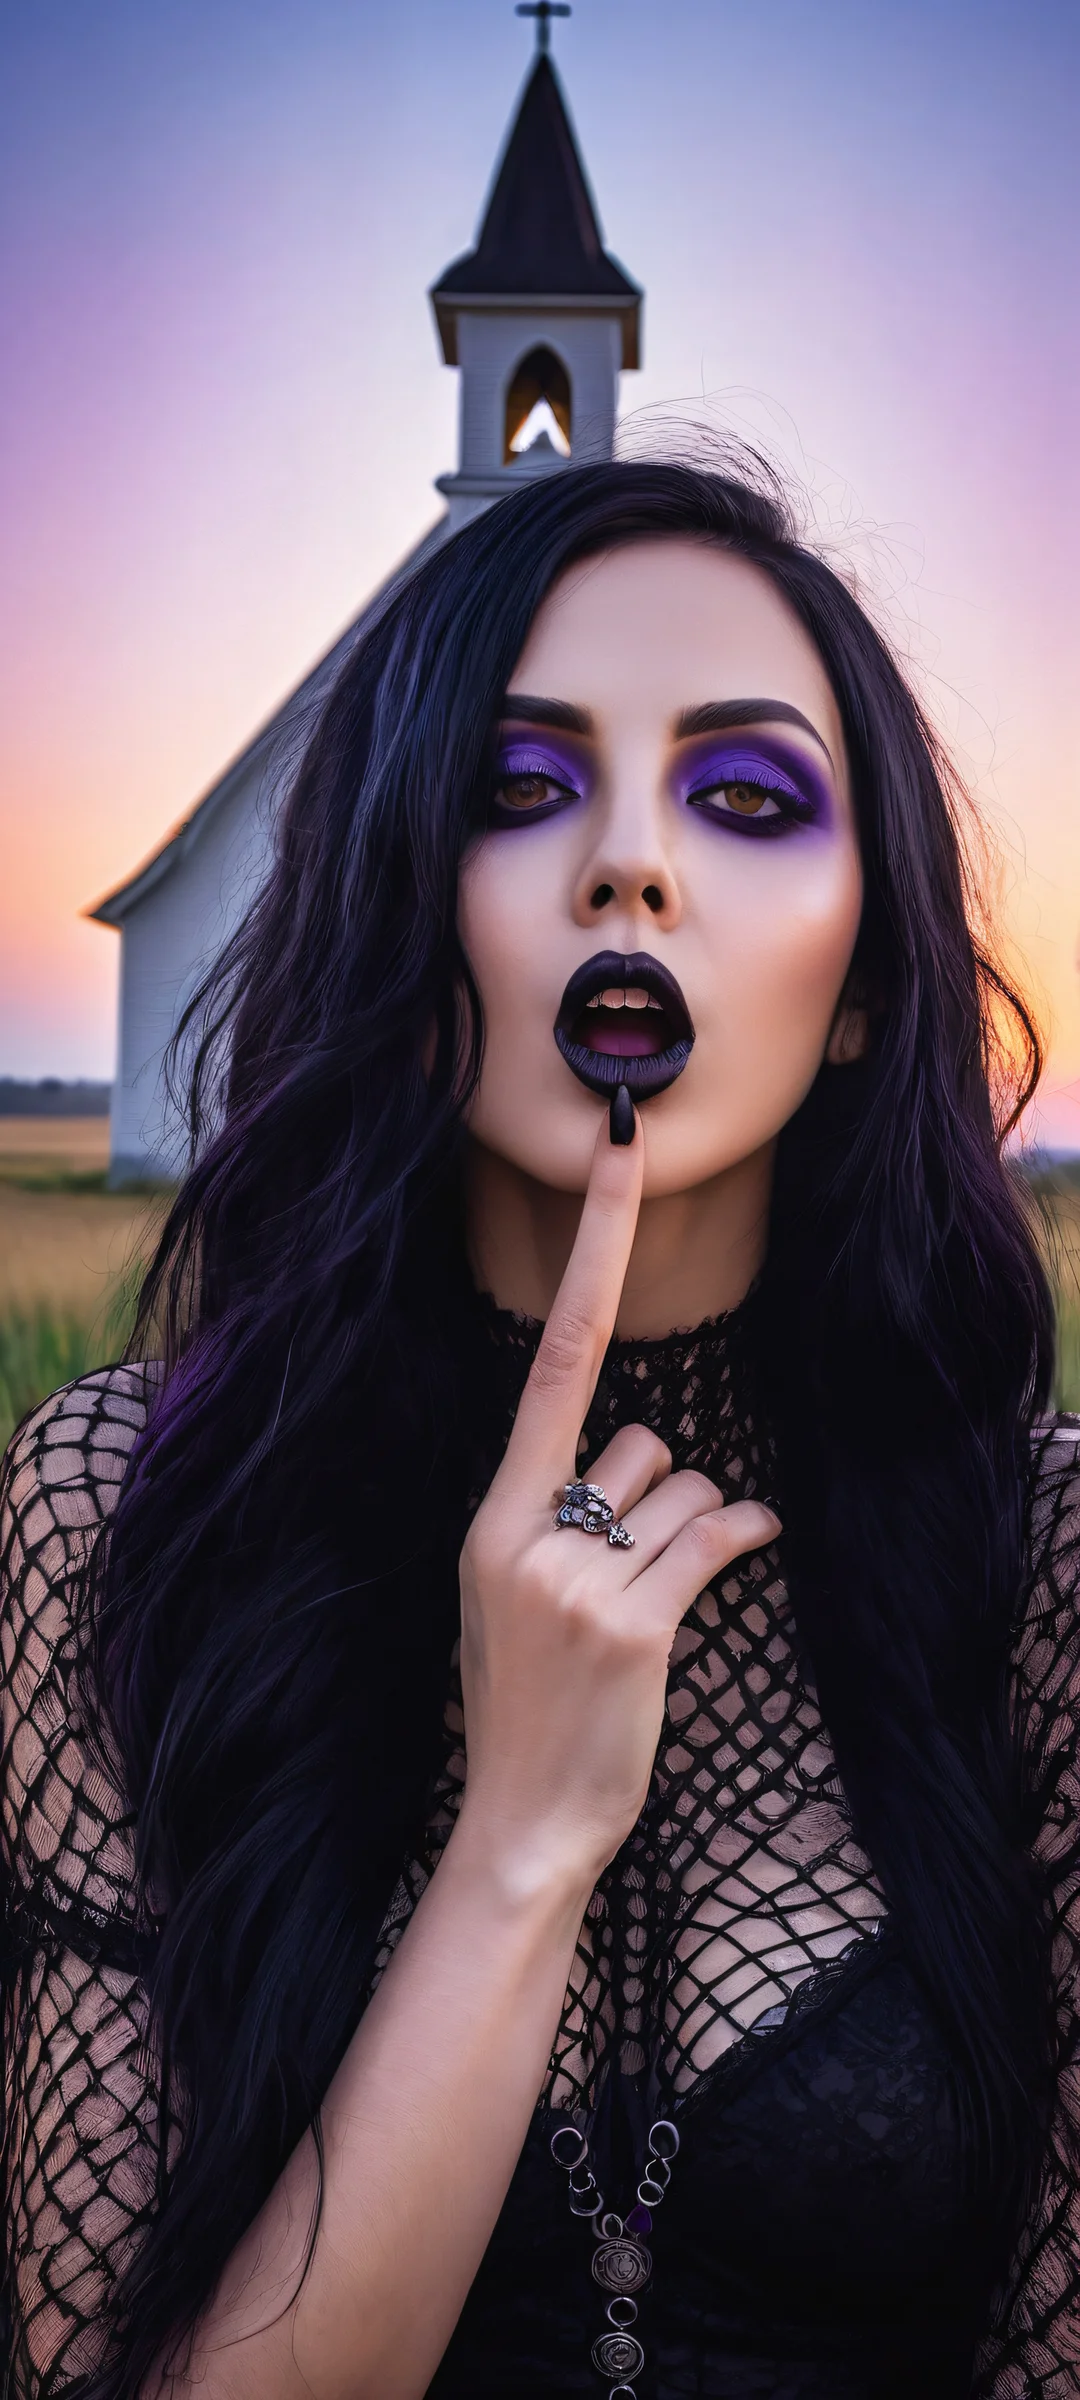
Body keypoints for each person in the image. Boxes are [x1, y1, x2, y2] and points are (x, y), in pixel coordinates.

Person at [2, 459, 1078, 2400]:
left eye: (745, 799)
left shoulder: (1045, 1567)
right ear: (402, 926)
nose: (630, 867)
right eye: (519, 788)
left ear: (861, 986)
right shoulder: (125, 1512)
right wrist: (516, 1845)